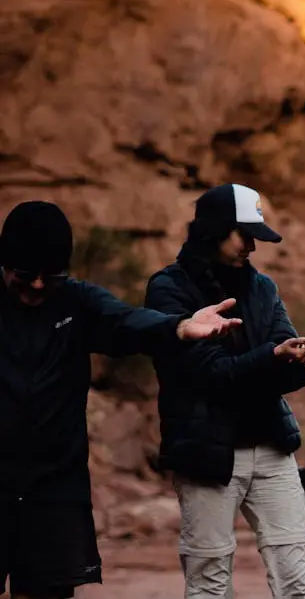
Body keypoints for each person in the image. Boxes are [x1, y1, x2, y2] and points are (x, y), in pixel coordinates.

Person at [0, 200, 242, 599]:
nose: (39, 285)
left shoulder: (76, 303)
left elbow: (128, 322)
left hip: (54, 487)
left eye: (52, 275)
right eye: (25, 275)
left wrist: (179, 327)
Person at [144, 183, 305, 599]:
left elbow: (281, 364)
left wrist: (302, 366)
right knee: (210, 585)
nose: (253, 245)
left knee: (298, 581)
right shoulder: (168, 289)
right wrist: (273, 357)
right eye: (244, 234)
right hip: (206, 454)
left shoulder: (263, 288)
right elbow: (205, 374)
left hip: (271, 447)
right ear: (214, 229)